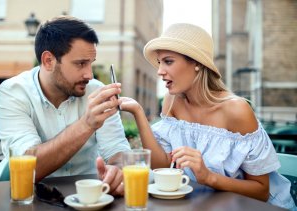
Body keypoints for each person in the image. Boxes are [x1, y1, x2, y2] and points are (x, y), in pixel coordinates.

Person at [120, 23, 296, 209]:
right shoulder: (171, 101)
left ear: (196, 62)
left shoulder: (237, 110)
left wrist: (208, 177)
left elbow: (261, 191)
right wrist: (138, 112)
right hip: (206, 204)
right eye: (159, 62)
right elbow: (161, 166)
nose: (160, 71)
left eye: (168, 61)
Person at [0, 16, 131, 196]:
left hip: (90, 198)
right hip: (34, 198)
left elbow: (118, 150)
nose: (89, 74)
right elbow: (26, 167)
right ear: (48, 61)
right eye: (81, 63)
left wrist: (117, 170)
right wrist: (86, 124)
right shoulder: (13, 92)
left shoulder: (97, 91)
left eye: (91, 63)